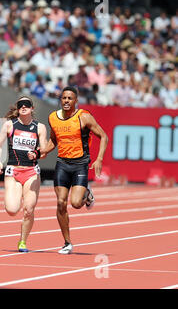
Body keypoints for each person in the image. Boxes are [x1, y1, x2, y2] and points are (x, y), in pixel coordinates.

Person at [43, 86, 108, 254]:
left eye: (70, 98)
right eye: (64, 98)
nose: (66, 101)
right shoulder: (53, 117)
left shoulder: (84, 117)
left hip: (80, 164)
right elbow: (53, 140)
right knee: (60, 202)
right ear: (60, 100)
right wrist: (42, 151)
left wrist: (99, 158)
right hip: (62, 164)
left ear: (76, 101)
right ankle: (67, 242)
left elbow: (104, 136)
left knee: (76, 203)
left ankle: (87, 194)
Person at [0, 96, 47, 252]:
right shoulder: (10, 125)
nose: (24, 107)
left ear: (32, 108)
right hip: (13, 171)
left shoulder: (40, 127)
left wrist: (37, 154)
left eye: (27, 104)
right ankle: (15, 198)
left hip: (32, 172)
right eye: (20, 105)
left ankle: (23, 241)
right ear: (17, 108)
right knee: (12, 210)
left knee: (29, 209)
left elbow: (44, 151)